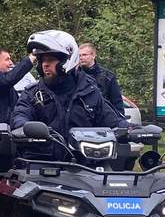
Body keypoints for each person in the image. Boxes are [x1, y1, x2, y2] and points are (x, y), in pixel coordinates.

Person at [11, 30, 128, 161]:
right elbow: (20, 116)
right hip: (42, 167)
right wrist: (25, 127)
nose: (45, 64)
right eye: (42, 60)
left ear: (67, 61)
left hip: (85, 167)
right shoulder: (32, 94)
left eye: (50, 59)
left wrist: (131, 129)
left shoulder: (89, 91)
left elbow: (111, 120)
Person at [0, 47, 36, 123]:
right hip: (1, 131)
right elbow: (9, 79)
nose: (11, 63)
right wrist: (30, 59)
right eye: (7, 59)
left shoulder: (3, 81)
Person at [79, 42, 125, 115]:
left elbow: (117, 102)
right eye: (79, 55)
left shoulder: (108, 76)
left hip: (104, 118)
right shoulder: (74, 75)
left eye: (84, 55)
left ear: (93, 55)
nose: (81, 58)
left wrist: (120, 121)